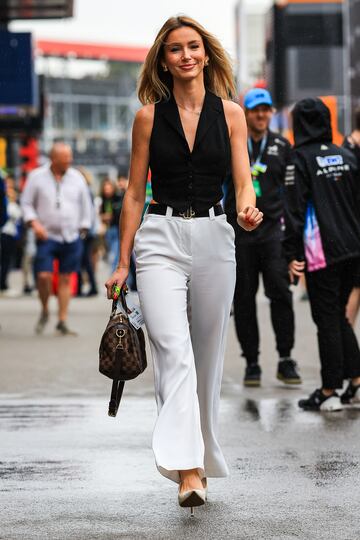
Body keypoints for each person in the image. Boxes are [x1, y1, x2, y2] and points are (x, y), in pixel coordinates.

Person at [105, 15, 263, 514]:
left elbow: (242, 180)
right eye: (175, 49)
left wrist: (247, 208)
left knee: (207, 355)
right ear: (164, 60)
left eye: (193, 47)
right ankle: (187, 470)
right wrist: (121, 260)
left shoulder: (232, 114)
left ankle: (199, 455)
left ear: (206, 54)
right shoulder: (149, 117)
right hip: (160, 237)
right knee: (173, 349)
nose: (186, 55)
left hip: (217, 234)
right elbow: (133, 192)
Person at [283, 97, 360, 411]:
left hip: (322, 253)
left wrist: (292, 253)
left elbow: (294, 211)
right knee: (339, 316)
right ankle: (355, 381)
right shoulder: (348, 156)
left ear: (299, 124)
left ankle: (330, 389)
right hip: (353, 249)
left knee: (326, 318)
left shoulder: (298, 159)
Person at [225, 88, 300, 387]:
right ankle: (252, 362)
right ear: (246, 112)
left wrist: (294, 242)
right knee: (243, 299)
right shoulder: (234, 143)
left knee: (281, 294)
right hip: (240, 234)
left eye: (266, 109)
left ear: (271, 112)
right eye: (255, 110)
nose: (261, 115)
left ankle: (285, 358)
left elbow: (293, 195)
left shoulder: (282, 146)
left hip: (272, 235)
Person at [21, 142, 92, 335]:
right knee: (43, 276)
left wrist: (84, 228)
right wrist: (34, 224)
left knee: (65, 278)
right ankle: (45, 309)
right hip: (46, 236)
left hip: (71, 236)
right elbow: (26, 203)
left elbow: (86, 204)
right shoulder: (36, 177)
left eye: (69, 157)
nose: (69, 160)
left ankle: (62, 320)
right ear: (53, 159)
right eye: (65, 157)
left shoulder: (77, 178)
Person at [342, 107, 360, 326]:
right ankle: (346, 340)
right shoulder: (348, 152)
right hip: (354, 232)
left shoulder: (346, 149)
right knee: (355, 287)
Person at [76, 167, 99, 297]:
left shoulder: (85, 191)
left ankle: (85, 287)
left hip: (86, 230)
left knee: (83, 260)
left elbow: (88, 211)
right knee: (84, 260)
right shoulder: (87, 190)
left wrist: (85, 228)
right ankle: (86, 287)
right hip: (88, 230)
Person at [0, 185, 22, 292]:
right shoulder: (10, 205)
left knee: (6, 261)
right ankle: (2, 283)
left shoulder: (11, 205)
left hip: (10, 235)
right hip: (6, 234)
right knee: (5, 261)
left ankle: (3, 282)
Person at [99, 178, 124, 273]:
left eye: (109, 188)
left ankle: (114, 277)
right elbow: (102, 214)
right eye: (105, 189)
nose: (107, 191)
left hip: (117, 230)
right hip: (109, 230)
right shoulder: (104, 200)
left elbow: (116, 214)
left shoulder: (118, 198)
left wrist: (109, 216)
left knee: (115, 255)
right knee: (111, 253)